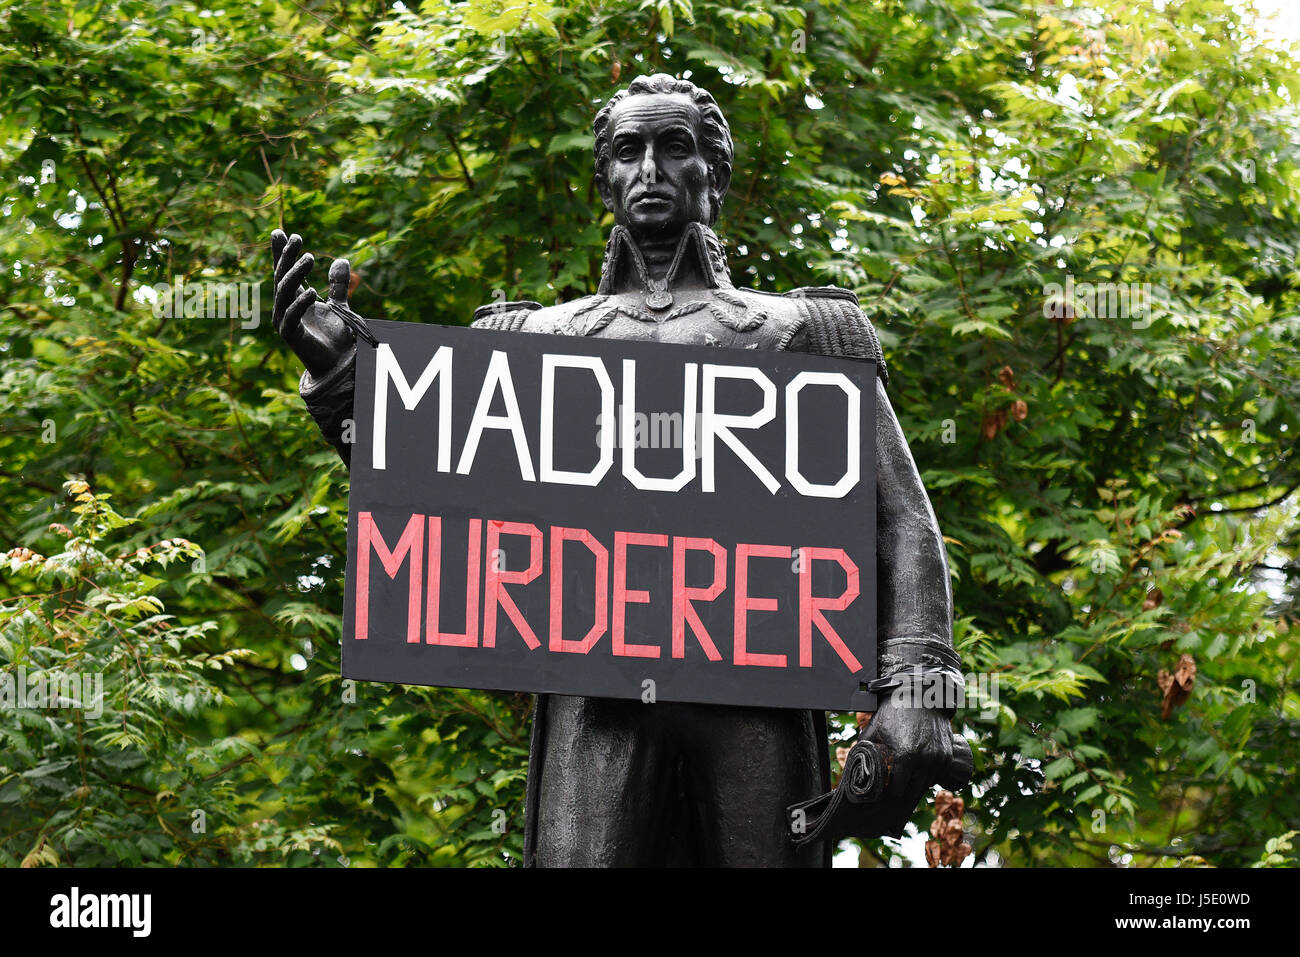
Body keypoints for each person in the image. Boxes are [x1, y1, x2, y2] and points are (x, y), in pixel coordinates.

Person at [272, 73, 970, 866]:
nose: (650, 169)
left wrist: (917, 686)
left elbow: (901, 518)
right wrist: (342, 383)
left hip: (759, 694)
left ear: (715, 174)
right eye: (628, 150)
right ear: (604, 178)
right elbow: (442, 516)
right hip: (593, 703)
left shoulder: (805, 331)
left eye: (675, 148)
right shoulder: (530, 341)